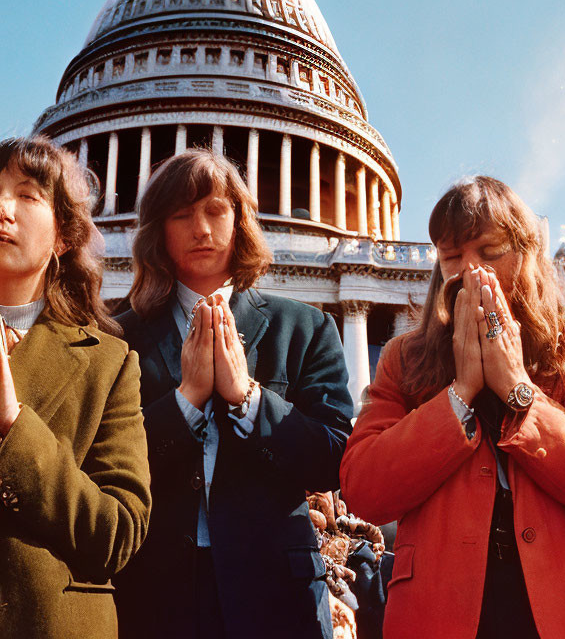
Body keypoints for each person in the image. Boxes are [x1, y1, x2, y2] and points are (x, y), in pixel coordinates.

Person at [340, 176, 565, 639]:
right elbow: (365, 491)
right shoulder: (404, 358)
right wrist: (459, 395)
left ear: (526, 255)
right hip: (443, 611)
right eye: (453, 256)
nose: (471, 272)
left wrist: (518, 389)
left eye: (491, 252)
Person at [113, 150, 353, 639]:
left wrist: (250, 401)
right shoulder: (118, 339)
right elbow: (106, 461)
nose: (200, 229)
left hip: (276, 595)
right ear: (159, 231)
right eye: (181, 215)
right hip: (154, 592)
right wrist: (186, 402)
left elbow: (334, 460)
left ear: (241, 221)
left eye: (215, 210)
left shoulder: (303, 328)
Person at [0, 136, 150, 638]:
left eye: (26, 195)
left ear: (63, 235)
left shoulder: (109, 363)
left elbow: (118, 532)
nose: (3, 208)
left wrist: (14, 427)